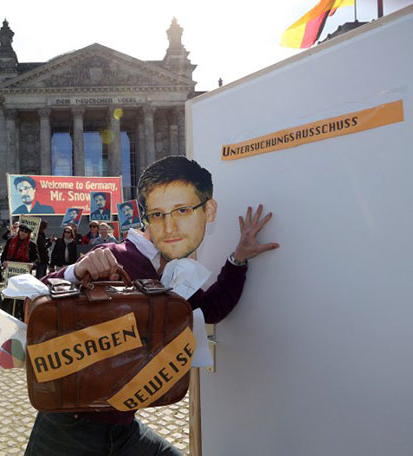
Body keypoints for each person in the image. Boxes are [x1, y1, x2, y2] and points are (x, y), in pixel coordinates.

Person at [24, 155, 280, 456]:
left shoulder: (174, 272)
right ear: (147, 217)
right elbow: (34, 295)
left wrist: (238, 258)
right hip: (67, 429)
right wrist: (74, 272)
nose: (174, 225)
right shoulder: (114, 253)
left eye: (184, 211)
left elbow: (210, 310)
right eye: (162, 213)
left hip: (122, 428)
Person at [0, 223, 38, 319]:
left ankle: (21, 317)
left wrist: (33, 265)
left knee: (22, 297)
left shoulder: (32, 245)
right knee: (10, 296)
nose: (23, 233)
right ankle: (7, 315)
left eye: (25, 232)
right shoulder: (10, 241)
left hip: (24, 275)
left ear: (28, 234)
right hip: (11, 274)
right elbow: (4, 255)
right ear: (18, 231)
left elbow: (37, 260)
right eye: (21, 231)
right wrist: (4, 262)